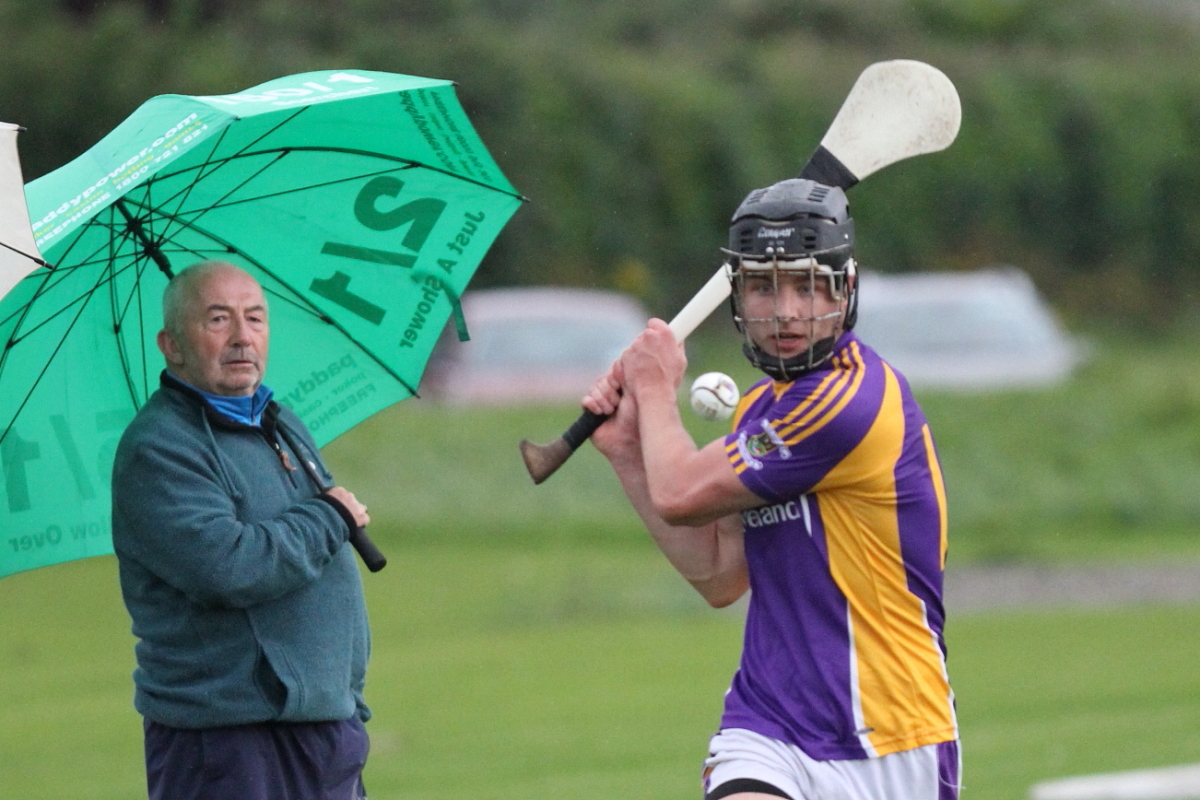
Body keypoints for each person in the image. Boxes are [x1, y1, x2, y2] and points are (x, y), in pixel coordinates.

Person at [583, 178, 961, 800]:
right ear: (738, 297)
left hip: (891, 735)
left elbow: (678, 492)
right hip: (768, 724)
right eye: (763, 285)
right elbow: (719, 575)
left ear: (845, 292)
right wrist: (628, 453)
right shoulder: (760, 410)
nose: (785, 310)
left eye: (808, 285)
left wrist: (653, 389)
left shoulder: (848, 401)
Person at [111, 260, 373, 800]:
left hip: (323, 726)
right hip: (227, 740)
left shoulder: (278, 419)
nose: (241, 338)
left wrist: (345, 698)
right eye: (217, 320)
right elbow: (227, 567)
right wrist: (329, 518)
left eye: (255, 318)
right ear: (172, 344)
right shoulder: (159, 448)